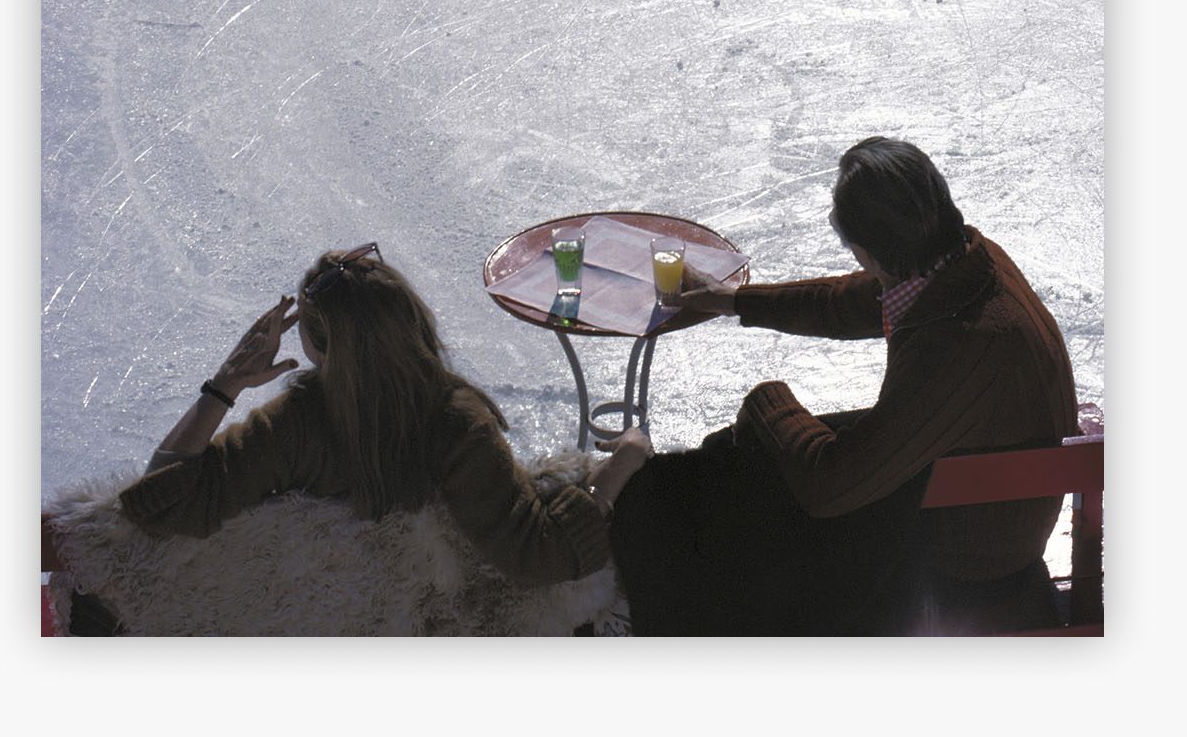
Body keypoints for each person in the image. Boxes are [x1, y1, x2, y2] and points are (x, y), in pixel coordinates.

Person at [605, 138, 1079, 635]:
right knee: (744, 459)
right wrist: (733, 300)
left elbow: (832, 486)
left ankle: (666, 604)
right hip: (974, 489)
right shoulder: (960, 263)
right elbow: (848, 302)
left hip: (971, 553)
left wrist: (767, 401)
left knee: (755, 492)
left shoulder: (958, 345)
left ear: (868, 247)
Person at [112, 243, 653, 606]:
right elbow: (544, 554)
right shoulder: (456, 427)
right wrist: (626, 458)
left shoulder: (297, 425)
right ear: (410, 320)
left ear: (321, 351)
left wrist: (225, 385)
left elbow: (162, 499)